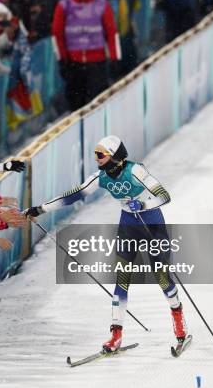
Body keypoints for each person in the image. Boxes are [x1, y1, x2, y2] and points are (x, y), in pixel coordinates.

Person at [25, 135, 188, 353]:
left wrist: (142, 203)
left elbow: (164, 196)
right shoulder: (101, 177)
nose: (97, 159)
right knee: (121, 278)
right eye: (95, 155)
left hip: (152, 224)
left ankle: (179, 325)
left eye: (100, 155)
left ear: (113, 156)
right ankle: (116, 335)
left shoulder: (135, 171)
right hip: (128, 225)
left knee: (161, 276)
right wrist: (41, 209)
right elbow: (73, 195)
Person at [52, 0, 121, 111]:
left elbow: (112, 32)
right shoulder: (64, 6)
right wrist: (62, 59)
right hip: (74, 62)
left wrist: (114, 57)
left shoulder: (101, 4)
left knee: (98, 102)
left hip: (96, 62)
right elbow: (57, 34)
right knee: (76, 103)